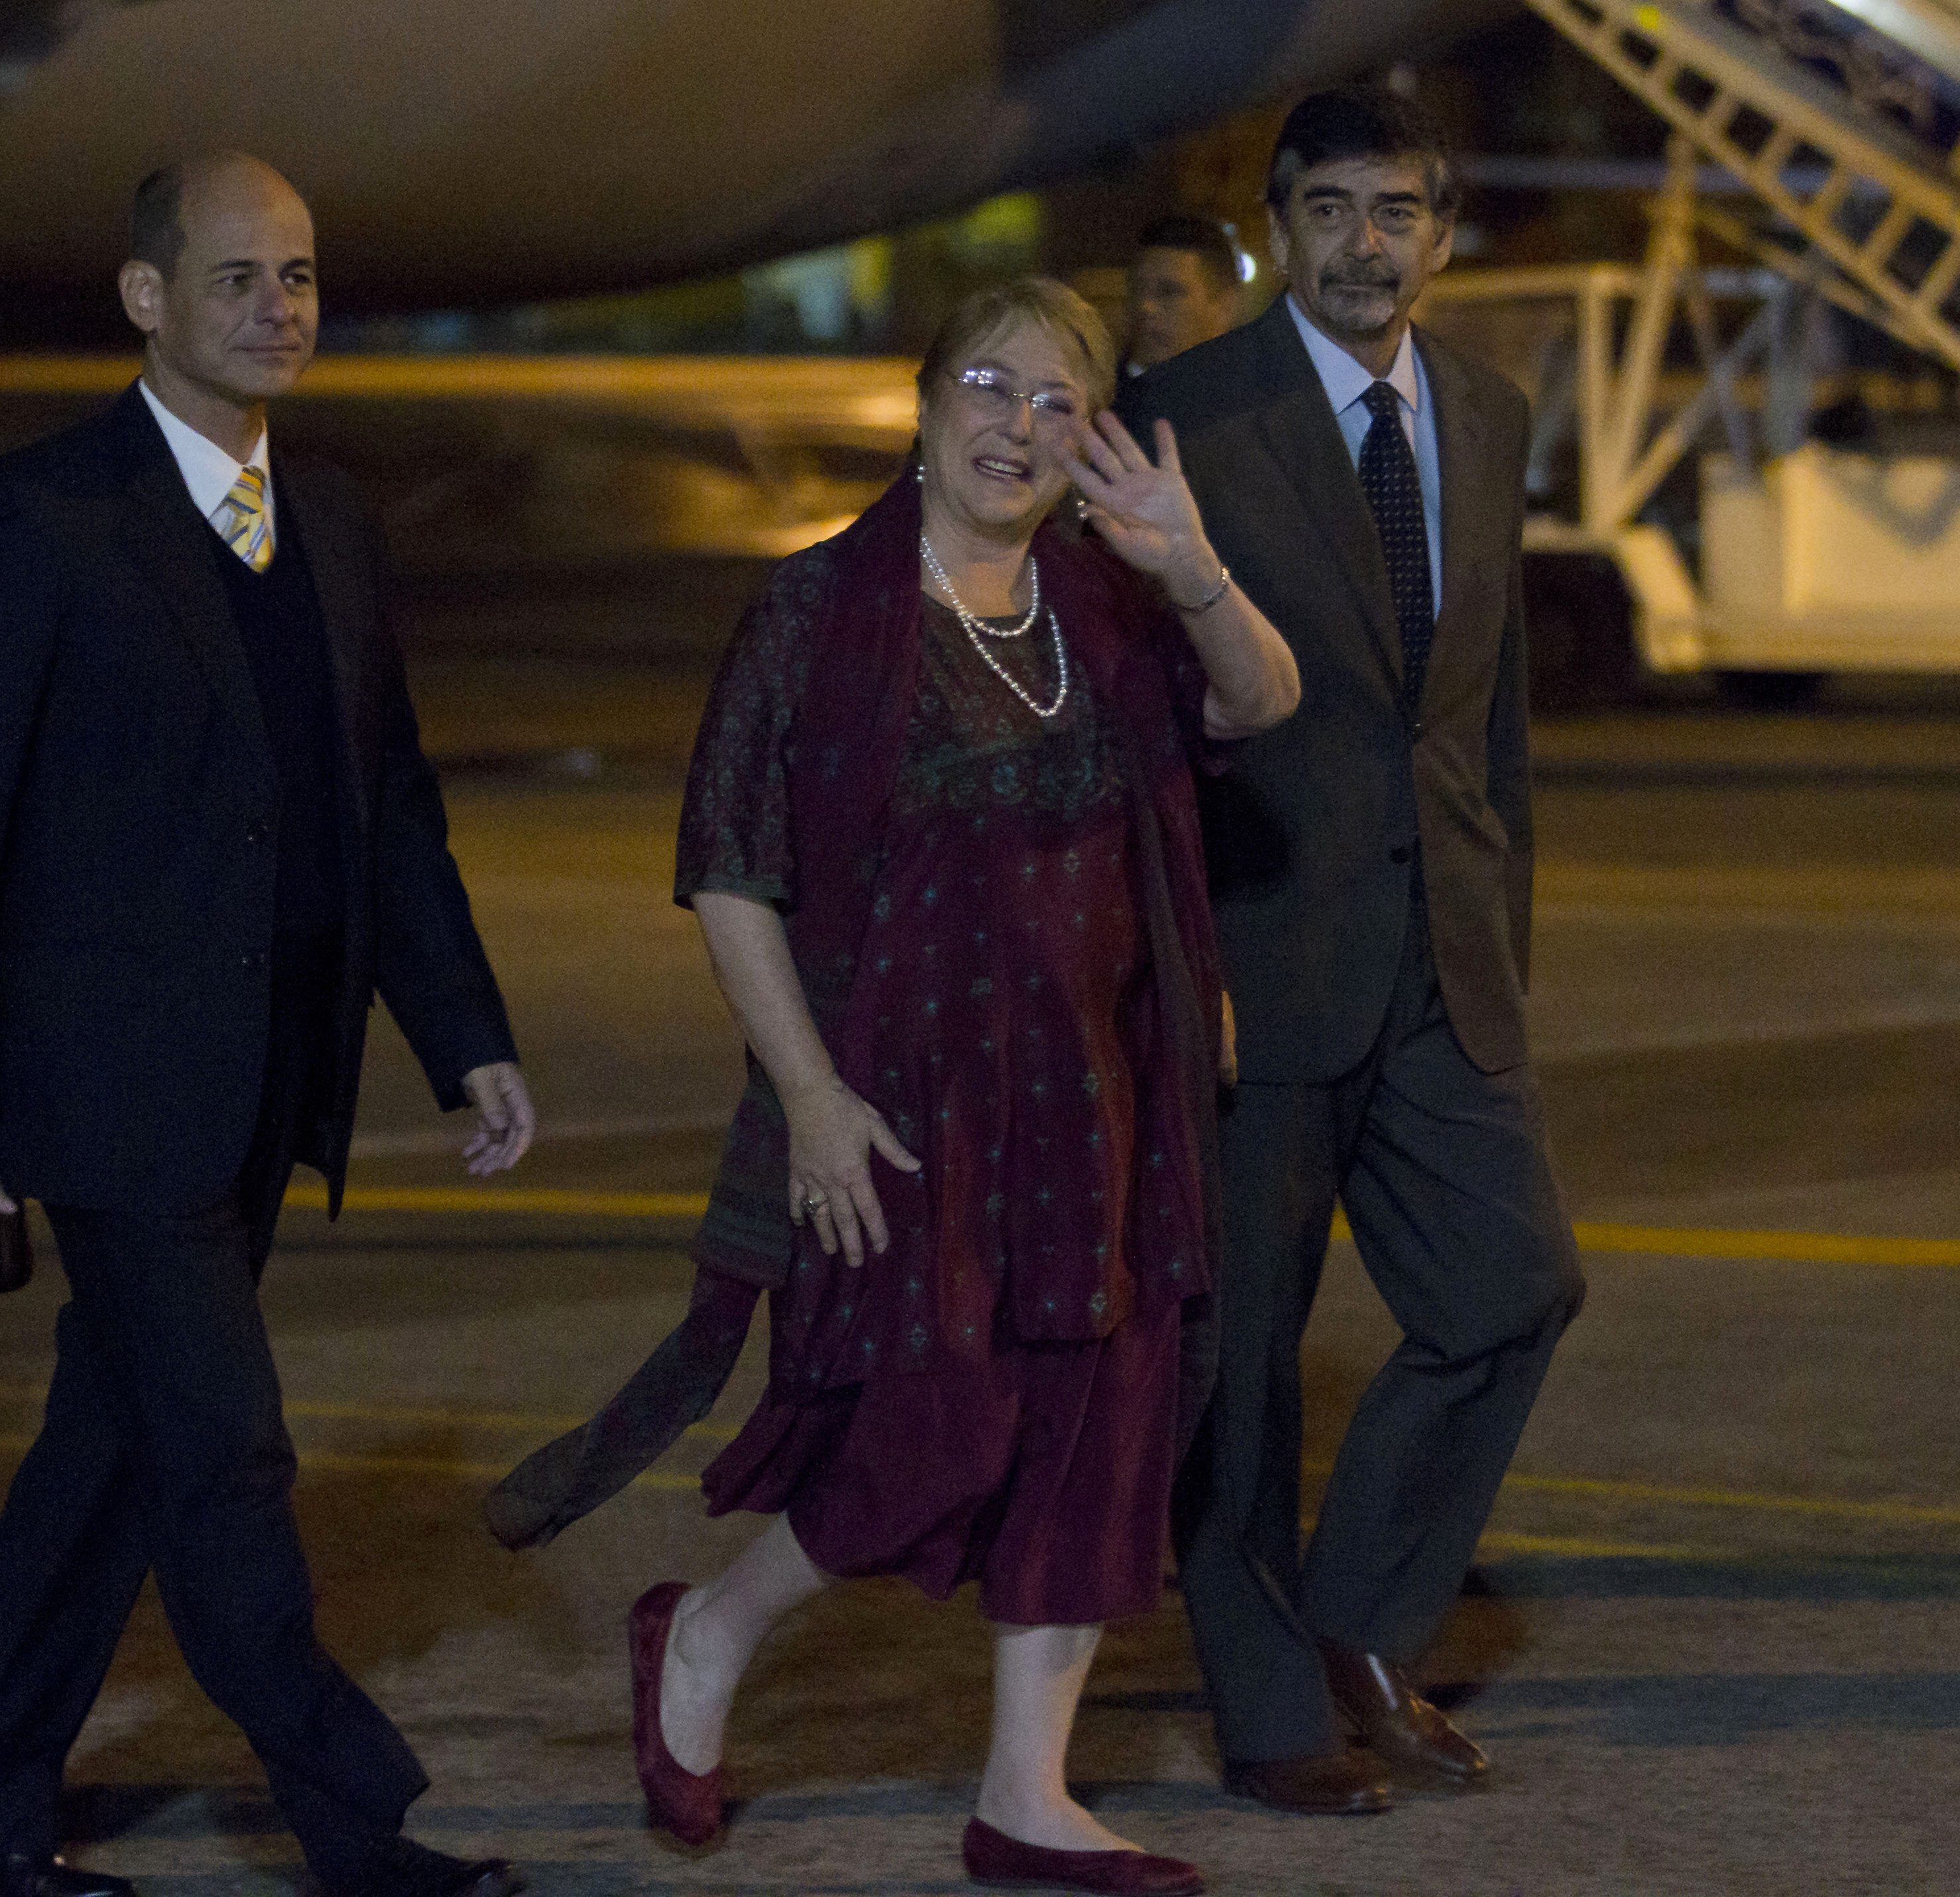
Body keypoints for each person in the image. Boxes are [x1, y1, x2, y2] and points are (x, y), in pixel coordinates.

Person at [490, 279, 1298, 1896]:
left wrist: (1189, 563)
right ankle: (708, 1624)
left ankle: (1027, 1793)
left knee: (1095, 1415)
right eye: (986, 387)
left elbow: (1262, 699)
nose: (1015, 425)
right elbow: (730, 870)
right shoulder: (814, 615)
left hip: (1102, 1089)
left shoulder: (1109, 602)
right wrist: (806, 1093)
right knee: (934, 1426)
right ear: (922, 405)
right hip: (907, 1098)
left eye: (1055, 400)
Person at [0, 153, 536, 1897]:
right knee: (229, 1446)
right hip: (104, 1086)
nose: (277, 309)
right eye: (237, 278)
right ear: (146, 299)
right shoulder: (40, 518)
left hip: (265, 1079)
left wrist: (462, 1032)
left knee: (115, 1450)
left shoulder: (329, 522)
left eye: (300, 277)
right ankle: (354, 1818)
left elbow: (385, 802)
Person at [1122, 86, 1587, 1815]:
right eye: (1331, 210)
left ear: (1443, 236)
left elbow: (1491, 715)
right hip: (1257, 962)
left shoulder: (1488, 407)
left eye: (1398, 212)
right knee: (1239, 1369)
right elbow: (1145, 718)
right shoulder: (1184, 411)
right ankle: (1269, 1712)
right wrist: (1172, 962)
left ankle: (1358, 1621)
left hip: (1443, 959)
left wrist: (1502, 943)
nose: (1365, 243)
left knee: (1513, 1283)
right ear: (1280, 226)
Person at [1124, 215, 1244, 376]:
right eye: (1136, 290)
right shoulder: (1102, 396)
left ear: (1225, 307)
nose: (1145, 307)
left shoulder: (1265, 397)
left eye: (1169, 292)